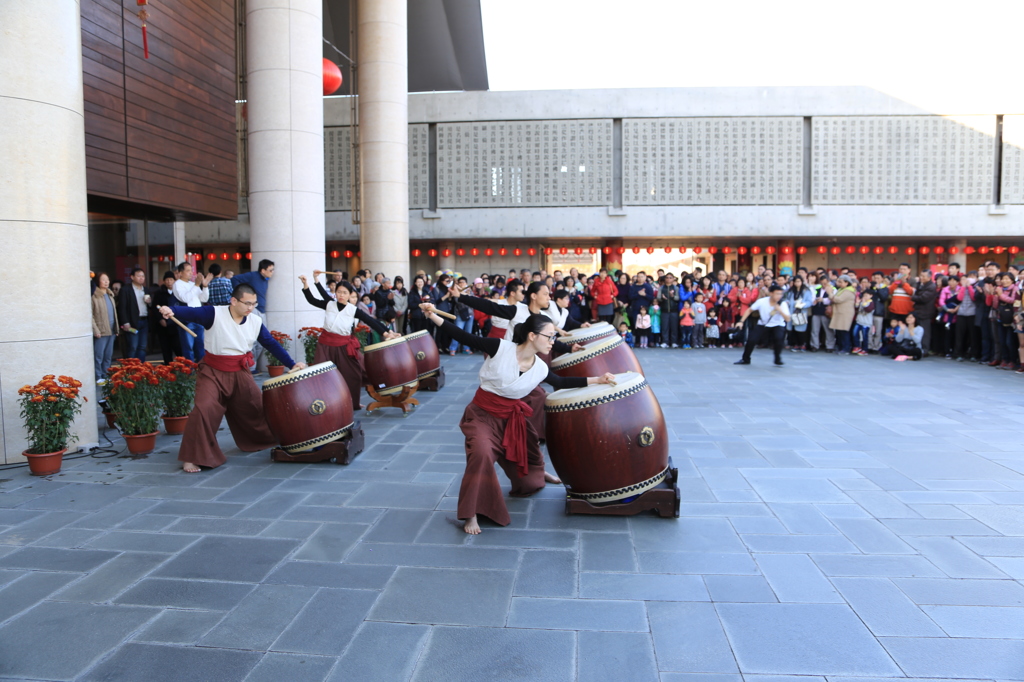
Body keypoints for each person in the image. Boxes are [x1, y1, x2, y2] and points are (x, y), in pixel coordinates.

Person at [420, 305, 615, 534]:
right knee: (481, 454)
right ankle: (471, 513)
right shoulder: (500, 348)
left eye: (554, 336)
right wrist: (432, 315)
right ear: (533, 336)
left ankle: (538, 472)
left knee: (529, 483)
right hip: (482, 416)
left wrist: (597, 379)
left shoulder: (540, 368)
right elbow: (463, 335)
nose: (553, 341)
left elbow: (560, 383)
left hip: (511, 420)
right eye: (549, 336)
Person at [157, 283, 306, 472]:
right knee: (203, 408)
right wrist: (172, 310)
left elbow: (270, 343)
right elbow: (191, 312)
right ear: (233, 300)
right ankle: (192, 457)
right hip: (212, 371)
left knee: (256, 405)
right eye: (247, 303)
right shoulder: (214, 313)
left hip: (240, 371)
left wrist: (292, 364)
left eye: (254, 303)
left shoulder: (255, 321)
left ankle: (271, 438)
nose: (250, 308)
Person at [301, 273, 397, 409]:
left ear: (350, 295)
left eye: (345, 293)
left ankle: (353, 403)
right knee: (322, 376)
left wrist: (386, 333)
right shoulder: (329, 304)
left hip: (344, 346)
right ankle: (325, 405)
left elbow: (371, 321)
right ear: (335, 293)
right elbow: (311, 299)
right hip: (325, 345)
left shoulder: (353, 310)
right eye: (339, 292)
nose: (341, 295)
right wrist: (306, 284)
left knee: (353, 375)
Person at [734, 284, 791, 366]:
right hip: (763, 324)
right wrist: (741, 321)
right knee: (751, 340)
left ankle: (777, 358)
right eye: (777, 294)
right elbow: (749, 310)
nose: (779, 296)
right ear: (771, 293)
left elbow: (788, 319)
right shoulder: (762, 301)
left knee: (779, 338)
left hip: (778, 325)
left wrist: (780, 310)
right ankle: (745, 359)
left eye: (780, 294)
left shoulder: (782, 304)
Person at [172, 261, 210, 361]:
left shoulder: (192, 284)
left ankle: (201, 369)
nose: (191, 273)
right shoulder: (177, 284)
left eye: (191, 270)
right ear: (180, 273)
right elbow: (185, 298)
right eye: (188, 270)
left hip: (199, 318)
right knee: (188, 347)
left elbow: (204, 299)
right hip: (187, 319)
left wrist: (205, 286)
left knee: (201, 346)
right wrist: (197, 285)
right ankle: (190, 372)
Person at [116, 267, 151, 361]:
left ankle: (141, 369)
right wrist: (125, 322)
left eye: (143, 276)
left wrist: (149, 302)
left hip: (144, 321)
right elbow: (122, 308)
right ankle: (130, 369)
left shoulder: (146, 289)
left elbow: (151, 306)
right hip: (132, 322)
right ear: (132, 277)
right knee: (132, 347)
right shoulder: (126, 290)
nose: (141, 278)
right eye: (138, 276)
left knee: (142, 347)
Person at [91, 273, 119, 383]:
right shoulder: (94, 296)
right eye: (103, 280)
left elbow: (114, 314)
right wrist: (96, 330)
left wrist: (116, 329)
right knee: (99, 356)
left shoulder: (110, 294)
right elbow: (90, 315)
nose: (106, 282)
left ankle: (105, 374)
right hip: (101, 331)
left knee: (108, 355)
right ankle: (98, 376)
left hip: (111, 330)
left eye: (107, 279)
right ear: (98, 281)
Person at [152, 271, 182, 364]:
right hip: (163, 325)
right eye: (167, 280)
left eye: (171, 280)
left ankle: (181, 368)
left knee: (178, 347)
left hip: (176, 324)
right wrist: (160, 319)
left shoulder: (179, 292)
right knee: (165, 348)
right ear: (164, 281)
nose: (169, 282)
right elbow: (155, 308)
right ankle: (167, 367)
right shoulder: (159, 293)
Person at [827, 274, 857, 355]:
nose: (838, 283)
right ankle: (841, 348)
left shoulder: (848, 291)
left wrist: (830, 293)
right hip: (840, 313)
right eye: (838, 281)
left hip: (845, 314)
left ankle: (845, 349)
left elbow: (838, 299)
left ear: (847, 283)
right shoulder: (841, 289)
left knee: (844, 331)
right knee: (839, 332)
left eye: (840, 282)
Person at [910, 269, 937, 354]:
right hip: (918, 312)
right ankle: (917, 348)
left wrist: (913, 297)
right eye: (921, 276)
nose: (921, 278)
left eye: (923, 276)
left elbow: (923, 298)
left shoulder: (931, 287)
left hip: (926, 312)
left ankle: (925, 350)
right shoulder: (920, 285)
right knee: (918, 331)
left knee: (925, 332)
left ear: (929, 277)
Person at [784, 275, 813, 352]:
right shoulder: (791, 290)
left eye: (799, 281)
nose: (797, 283)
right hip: (792, 311)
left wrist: (802, 304)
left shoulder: (806, 291)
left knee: (801, 329)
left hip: (801, 312)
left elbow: (810, 302)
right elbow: (787, 299)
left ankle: (802, 344)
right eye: (795, 281)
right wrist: (787, 302)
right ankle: (795, 344)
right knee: (792, 329)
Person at [852, 278, 874, 355]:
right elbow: (857, 309)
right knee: (855, 333)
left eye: (867, 295)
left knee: (865, 336)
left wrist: (864, 303)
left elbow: (868, 309)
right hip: (859, 321)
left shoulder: (871, 303)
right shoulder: (862, 301)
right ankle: (857, 346)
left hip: (866, 323)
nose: (865, 297)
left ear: (871, 296)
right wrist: (857, 303)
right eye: (864, 295)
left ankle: (865, 349)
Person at [658, 274, 681, 347]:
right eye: (667, 278)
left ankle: (674, 342)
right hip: (664, 310)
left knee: (674, 327)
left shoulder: (676, 288)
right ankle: (665, 341)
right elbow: (658, 298)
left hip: (674, 310)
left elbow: (678, 298)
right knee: (665, 327)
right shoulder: (661, 288)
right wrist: (662, 298)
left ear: (673, 279)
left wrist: (672, 296)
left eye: (670, 278)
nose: (668, 279)